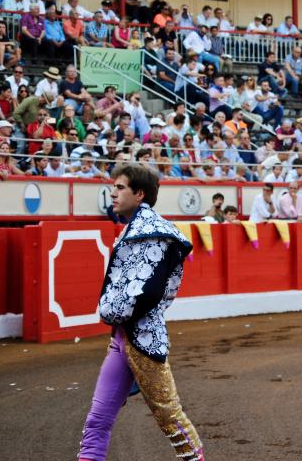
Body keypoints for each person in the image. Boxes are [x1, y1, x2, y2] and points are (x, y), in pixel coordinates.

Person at [78, 164, 203, 461]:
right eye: (113, 187)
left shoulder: (152, 233)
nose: (113, 192)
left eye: (120, 187)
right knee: (98, 418)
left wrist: (109, 311)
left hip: (144, 340)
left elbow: (149, 292)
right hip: (123, 338)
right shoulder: (136, 230)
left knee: (170, 417)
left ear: (140, 194)